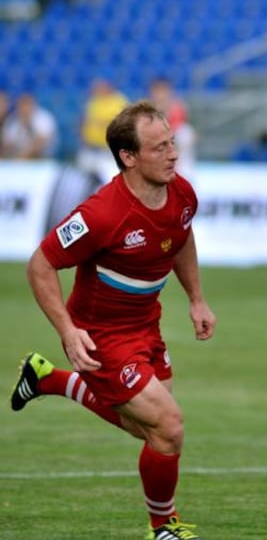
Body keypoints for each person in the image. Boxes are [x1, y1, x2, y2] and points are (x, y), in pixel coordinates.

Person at [11, 100, 216, 540]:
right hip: (101, 336)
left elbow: (180, 234)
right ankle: (163, 529)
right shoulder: (101, 214)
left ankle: (48, 380)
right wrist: (68, 331)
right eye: (159, 148)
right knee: (169, 427)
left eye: (172, 143)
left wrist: (196, 298)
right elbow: (39, 265)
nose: (173, 154)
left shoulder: (182, 193)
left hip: (147, 326)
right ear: (129, 157)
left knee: (147, 429)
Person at [78, 77, 129, 182]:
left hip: (110, 153)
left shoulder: (119, 101)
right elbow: (82, 123)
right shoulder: (93, 102)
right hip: (91, 150)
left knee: (109, 181)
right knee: (82, 180)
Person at [148, 77, 198, 179]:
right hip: (153, 142)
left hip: (174, 142)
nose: (160, 95)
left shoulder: (177, 106)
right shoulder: (146, 108)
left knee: (185, 133)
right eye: (158, 91)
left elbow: (181, 127)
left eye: (163, 91)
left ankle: (182, 172)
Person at [0, 92, 59, 160]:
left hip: (43, 159)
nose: (25, 109)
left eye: (28, 105)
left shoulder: (44, 118)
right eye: (22, 106)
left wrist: (24, 156)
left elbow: (42, 142)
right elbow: (7, 145)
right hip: (17, 159)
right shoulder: (12, 121)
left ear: (33, 105)